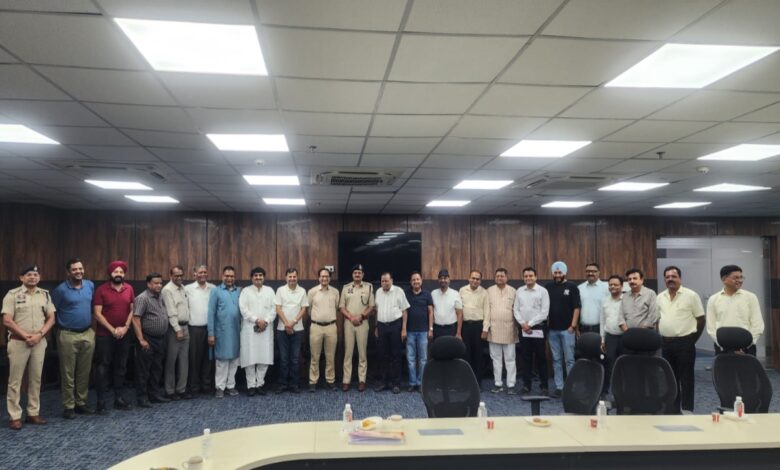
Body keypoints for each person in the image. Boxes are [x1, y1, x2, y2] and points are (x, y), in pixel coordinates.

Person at [3, 265, 56, 430]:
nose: (33, 277)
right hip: (19, 342)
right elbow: (7, 320)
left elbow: (51, 318)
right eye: (29, 275)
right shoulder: (12, 295)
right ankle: (15, 416)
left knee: (36, 379)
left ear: (39, 277)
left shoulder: (44, 295)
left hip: (39, 342)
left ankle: (33, 413)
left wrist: (39, 335)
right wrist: (26, 336)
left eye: (35, 274)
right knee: (15, 381)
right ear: (21, 278)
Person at [51, 258, 95, 419]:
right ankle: (69, 406)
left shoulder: (90, 285)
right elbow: (52, 312)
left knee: (85, 372)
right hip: (67, 334)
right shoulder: (60, 290)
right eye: (75, 269)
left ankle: (81, 403)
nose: (78, 271)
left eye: (80, 268)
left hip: (87, 334)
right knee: (68, 373)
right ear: (68, 272)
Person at [657, 266, 705, 412]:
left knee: (686, 379)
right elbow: (658, 319)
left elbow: (701, 319)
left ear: (680, 278)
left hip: (685, 343)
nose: (670, 279)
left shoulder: (691, 295)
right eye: (667, 277)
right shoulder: (660, 297)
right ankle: (673, 410)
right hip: (666, 343)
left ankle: (687, 410)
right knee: (670, 379)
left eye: (673, 276)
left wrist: (691, 340)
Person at [93, 260, 135, 414]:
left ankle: (119, 399)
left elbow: (132, 310)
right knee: (103, 368)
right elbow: (97, 314)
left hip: (124, 335)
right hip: (105, 335)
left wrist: (125, 327)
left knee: (121, 366)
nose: (119, 274)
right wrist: (112, 330)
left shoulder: (129, 288)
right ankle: (101, 402)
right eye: (116, 271)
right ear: (110, 273)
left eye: (121, 272)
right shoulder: (101, 290)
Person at [706, 264, 764, 356]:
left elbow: (758, 325)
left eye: (741, 277)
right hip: (722, 348)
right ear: (724, 279)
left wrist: (746, 345)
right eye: (736, 278)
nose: (740, 280)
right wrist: (723, 346)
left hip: (747, 348)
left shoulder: (751, 297)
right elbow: (711, 327)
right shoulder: (713, 299)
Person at [132, 272, 170, 407]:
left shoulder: (160, 296)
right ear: (148, 284)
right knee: (143, 370)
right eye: (156, 283)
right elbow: (135, 319)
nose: (159, 285)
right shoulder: (142, 298)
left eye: (161, 283)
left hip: (160, 339)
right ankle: (142, 398)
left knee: (156, 368)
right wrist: (141, 340)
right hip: (147, 338)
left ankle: (154, 395)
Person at [545, 261, 581, 398]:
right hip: (552, 330)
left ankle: (571, 387)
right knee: (556, 360)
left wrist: (573, 326)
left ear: (565, 273)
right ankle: (559, 387)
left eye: (560, 272)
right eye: (555, 272)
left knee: (569, 360)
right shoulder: (548, 287)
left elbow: (577, 308)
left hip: (567, 330)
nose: (557, 274)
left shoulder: (572, 287)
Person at [238, 267, 276, 396]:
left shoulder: (270, 291)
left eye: (260, 275)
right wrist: (256, 320)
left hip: (266, 328)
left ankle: (260, 384)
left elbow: (274, 309)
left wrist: (265, 321)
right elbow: (243, 309)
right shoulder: (246, 291)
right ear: (251, 277)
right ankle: (251, 385)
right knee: (250, 358)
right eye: (255, 275)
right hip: (250, 329)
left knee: (264, 358)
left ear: (264, 277)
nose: (258, 277)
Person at [513, 267, 549, 396]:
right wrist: (523, 324)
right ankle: (526, 386)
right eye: (526, 276)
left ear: (536, 277)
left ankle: (544, 386)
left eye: (530, 276)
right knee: (526, 357)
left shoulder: (543, 291)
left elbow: (544, 312)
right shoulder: (519, 291)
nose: (528, 278)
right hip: (523, 328)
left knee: (541, 358)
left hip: (538, 328)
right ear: (523, 277)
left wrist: (530, 324)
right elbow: (515, 309)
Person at [339, 264, 374, 392]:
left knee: (362, 353)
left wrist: (361, 316)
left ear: (363, 275)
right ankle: (346, 381)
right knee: (348, 353)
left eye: (359, 273)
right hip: (349, 323)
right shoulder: (346, 288)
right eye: (355, 273)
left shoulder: (369, 287)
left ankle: (362, 380)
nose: (357, 274)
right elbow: (341, 307)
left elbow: (371, 306)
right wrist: (351, 317)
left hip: (362, 323)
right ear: (352, 275)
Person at [208, 266, 242, 398]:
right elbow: (211, 313)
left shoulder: (238, 291)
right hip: (221, 332)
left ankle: (230, 386)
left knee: (234, 360)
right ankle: (220, 387)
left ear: (234, 277)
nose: (229, 278)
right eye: (227, 276)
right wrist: (211, 333)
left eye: (232, 276)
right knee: (222, 361)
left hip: (236, 332)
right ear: (222, 276)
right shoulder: (216, 291)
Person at [482, 268, 517, 394]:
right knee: (496, 359)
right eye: (497, 276)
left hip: (510, 330)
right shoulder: (489, 291)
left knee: (510, 359)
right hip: (494, 330)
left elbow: (517, 311)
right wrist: (485, 328)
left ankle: (511, 385)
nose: (499, 278)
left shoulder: (513, 291)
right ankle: (498, 384)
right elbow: (487, 311)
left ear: (507, 277)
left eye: (502, 276)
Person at [374, 272, 410, 394]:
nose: (384, 283)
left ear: (391, 280)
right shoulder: (378, 292)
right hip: (381, 326)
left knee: (396, 355)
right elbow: (377, 311)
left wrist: (404, 329)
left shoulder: (399, 291)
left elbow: (404, 311)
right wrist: (376, 327)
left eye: (386, 281)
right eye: (382, 281)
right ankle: (384, 382)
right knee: (382, 355)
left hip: (395, 326)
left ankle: (396, 384)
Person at [274, 267, 309, 393]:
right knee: (283, 358)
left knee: (295, 359)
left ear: (297, 277)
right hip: (281, 329)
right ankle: (283, 384)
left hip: (297, 329)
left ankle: (294, 384)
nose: (292, 279)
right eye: (290, 276)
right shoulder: (280, 290)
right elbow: (278, 308)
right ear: (286, 277)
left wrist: (293, 323)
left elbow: (303, 309)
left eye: (294, 276)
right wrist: (287, 324)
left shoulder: (302, 291)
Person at [307, 268, 339, 392]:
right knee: (314, 356)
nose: (324, 278)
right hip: (316, 327)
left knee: (330, 356)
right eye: (322, 276)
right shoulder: (312, 292)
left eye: (326, 276)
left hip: (331, 327)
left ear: (330, 278)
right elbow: (309, 310)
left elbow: (337, 307)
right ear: (318, 278)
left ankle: (330, 380)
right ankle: (313, 381)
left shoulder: (335, 292)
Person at [185, 264, 215, 395]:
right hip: (194, 329)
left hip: (210, 329)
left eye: (205, 272)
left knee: (208, 359)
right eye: (200, 272)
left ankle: (206, 386)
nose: (203, 274)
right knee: (194, 359)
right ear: (194, 274)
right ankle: (194, 387)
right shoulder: (187, 289)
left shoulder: (213, 288)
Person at [161, 265, 190, 400]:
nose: (179, 277)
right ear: (170, 276)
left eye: (181, 275)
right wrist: (177, 329)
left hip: (186, 327)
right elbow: (171, 312)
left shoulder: (183, 288)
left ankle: (181, 389)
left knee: (184, 361)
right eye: (176, 275)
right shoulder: (167, 290)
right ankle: (170, 391)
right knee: (171, 361)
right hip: (174, 329)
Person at [404, 271, 433, 392]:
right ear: (410, 282)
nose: (416, 281)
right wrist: (404, 329)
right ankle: (412, 382)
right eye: (413, 280)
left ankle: (421, 383)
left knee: (423, 359)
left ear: (421, 281)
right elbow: (404, 312)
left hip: (423, 332)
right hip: (410, 331)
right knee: (410, 359)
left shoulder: (427, 294)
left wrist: (430, 329)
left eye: (418, 279)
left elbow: (430, 312)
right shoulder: (406, 294)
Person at [459, 270, 489, 383]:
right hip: (465, 327)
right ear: (469, 278)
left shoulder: (484, 292)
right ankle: (467, 382)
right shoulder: (462, 290)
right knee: (465, 354)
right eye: (473, 278)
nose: (475, 280)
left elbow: (487, 312)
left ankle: (477, 382)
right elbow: (459, 310)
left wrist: (485, 329)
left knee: (478, 355)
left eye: (477, 279)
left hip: (478, 327)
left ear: (480, 281)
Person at [600, 275, 624, 397]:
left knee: (623, 364)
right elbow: (602, 320)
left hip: (624, 337)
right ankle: (604, 391)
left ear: (622, 286)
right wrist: (602, 339)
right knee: (609, 363)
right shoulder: (604, 301)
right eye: (610, 285)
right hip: (610, 337)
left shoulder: (627, 300)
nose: (613, 286)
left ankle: (622, 391)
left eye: (616, 284)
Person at [431, 269, 463, 340]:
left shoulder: (455, 294)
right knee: (438, 347)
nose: (443, 280)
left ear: (449, 279)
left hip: (451, 330)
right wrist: (431, 329)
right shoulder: (433, 293)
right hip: (437, 330)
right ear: (438, 280)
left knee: (450, 347)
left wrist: (458, 333)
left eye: (445, 278)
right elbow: (431, 312)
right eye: (441, 278)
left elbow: (460, 314)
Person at [577, 263, 608, 335]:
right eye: (588, 271)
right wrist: (577, 328)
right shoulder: (580, 288)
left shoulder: (606, 288)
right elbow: (577, 308)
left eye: (594, 271)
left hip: (600, 328)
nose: (590, 273)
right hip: (583, 328)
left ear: (599, 272)